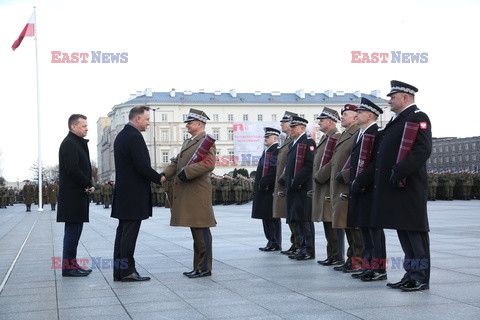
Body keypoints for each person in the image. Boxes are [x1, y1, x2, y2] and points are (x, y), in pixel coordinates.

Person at [370, 80, 432, 291]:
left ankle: (420, 276)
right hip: (397, 186)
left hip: (410, 186)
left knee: (414, 233)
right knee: (404, 232)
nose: (389, 100)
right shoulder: (397, 121)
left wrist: (400, 170)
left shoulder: (418, 117)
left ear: (405, 97)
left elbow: (422, 151)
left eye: (392, 97)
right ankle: (410, 273)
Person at [161, 108, 217, 278]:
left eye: (190, 123)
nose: (187, 125)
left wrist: (187, 172)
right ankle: (198, 266)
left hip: (197, 192)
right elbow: (176, 161)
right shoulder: (189, 142)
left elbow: (209, 164)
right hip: (190, 192)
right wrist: (164, 175)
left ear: (199, 124)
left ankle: (205, 267)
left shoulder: (206, 142)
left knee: (201, 231)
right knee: (196, 232)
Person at [111, 106, 163, 282]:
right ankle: (127, 271)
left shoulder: (122, 135)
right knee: (129, 234)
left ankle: (120, 271)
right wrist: (159, 178)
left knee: (122, 233)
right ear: (138, 118)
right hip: (133, 194)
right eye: (147, 119)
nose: (149, 123)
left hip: (125, 194)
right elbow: (141, 166)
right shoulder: (134, 137)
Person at [347, 97, 386, 281]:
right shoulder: (361, 134)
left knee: (373, 231)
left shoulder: (377, 134)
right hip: (359, 190)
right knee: (364, 230)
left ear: (370, 115)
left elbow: (376, 163)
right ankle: (368, 265)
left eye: (360, 112)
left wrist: (360, 181)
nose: (357, 115)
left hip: (369, 190)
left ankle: (379, 269)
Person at [57, 114, 95, 277]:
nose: (87, 128)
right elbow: (72, 169)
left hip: (76, 195)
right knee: (72, 231)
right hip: (72, 196)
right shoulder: (70, 143)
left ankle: (72, 264)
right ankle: (68, 267)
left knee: (74, 230)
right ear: (73, 126)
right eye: (83, 126)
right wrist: (88, 183)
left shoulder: (75, 142)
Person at [330, 104, 362, 273]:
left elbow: (360, 159)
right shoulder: (346, 134)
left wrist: (347, 175)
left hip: (348, 184)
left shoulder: (357, 133)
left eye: (345, 114)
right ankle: (351, 258)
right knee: (346, 224)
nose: (341, 117)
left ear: (355, 117)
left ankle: (359, 259)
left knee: (354, 226)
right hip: (340, 185)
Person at [282, 116, 316, 260]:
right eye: (291, 127)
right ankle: (302, 247)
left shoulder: (307, 142)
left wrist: (297, 180)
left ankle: (308, 249)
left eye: (294, 127)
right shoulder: (293, 144)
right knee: (296, 219)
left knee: (304, 219)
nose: (291, 129)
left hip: (302, 187)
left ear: (302, 128)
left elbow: (309, 165)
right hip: (293, 187)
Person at [313, 107, 342, 266]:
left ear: (330, 122)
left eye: (322, 120)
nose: (319, 123)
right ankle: (332, 254)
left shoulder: (336, 137)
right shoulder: (326, 137)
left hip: (327, 184)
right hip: (323, 185)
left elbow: (333, 161)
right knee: (326, 221)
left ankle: (336, 255)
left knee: (331, 222)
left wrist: (319, 176)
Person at [273, 111, 301, 256]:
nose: (281, 124)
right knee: (289, 215)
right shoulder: (287, 140)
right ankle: (294, 243)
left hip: (289, 182)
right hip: (284, 182)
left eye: (284, 122)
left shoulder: (293, 141)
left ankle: (297, 243)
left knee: (293, 215)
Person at [252, 127, 281, 251]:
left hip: (269, 189)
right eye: (265, 137)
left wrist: (264, 181)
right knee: (265, 216)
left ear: (275, 138)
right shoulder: (267, 150)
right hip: (263, 188)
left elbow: (274, 170)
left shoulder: (276, 150)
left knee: (271, 217)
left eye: (268, 137)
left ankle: (275, 242)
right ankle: (270, 240)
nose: (265, 139)